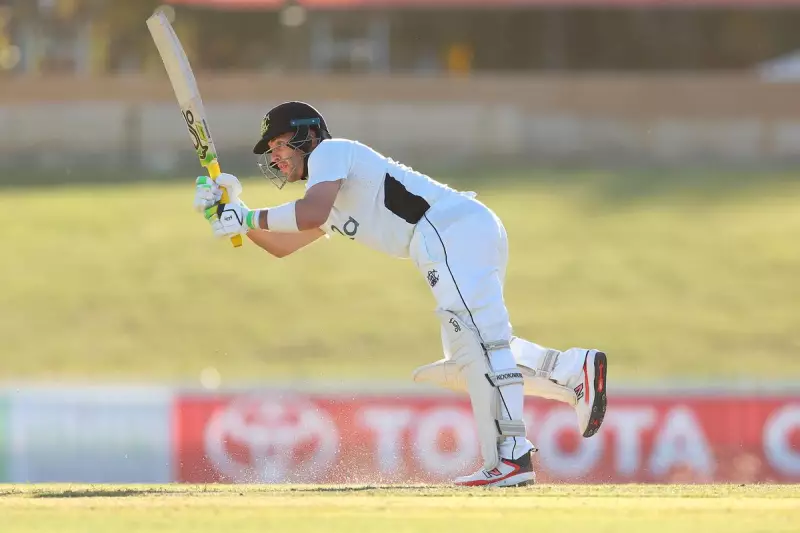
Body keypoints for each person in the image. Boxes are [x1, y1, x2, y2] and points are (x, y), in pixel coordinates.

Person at [194, 101, 608, 487]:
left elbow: (309, 214)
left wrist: (246, 214)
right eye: (270, 149)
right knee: (474, 351)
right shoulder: (331, 191)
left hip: (446, 230)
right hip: (460, 231)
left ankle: (511, 457)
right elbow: (284, 244)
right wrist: (236, 216)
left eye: (280, 144)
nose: (275, 156)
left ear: (307, 137)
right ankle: (571, 372)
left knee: (478, 345)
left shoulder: (331, 153)